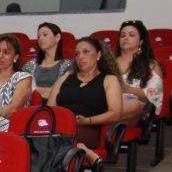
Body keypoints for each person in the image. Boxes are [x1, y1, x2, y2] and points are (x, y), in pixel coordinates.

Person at [48, 36, 123, 165]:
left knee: (58, 141)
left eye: (86, 52)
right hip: (60, 126)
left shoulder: (109, 80)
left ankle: (79, 149)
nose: (80, 57)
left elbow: (116, 113)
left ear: (98, 55)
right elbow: (50, 109)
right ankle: (81, 149)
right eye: (77, 54)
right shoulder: (66, 78)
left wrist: (87, 120)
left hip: (87, 128)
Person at [115, 20, 163, 123]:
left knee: (134, 105)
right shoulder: (108, 63)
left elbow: (154, 96)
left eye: (131, 35)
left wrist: (128, 89)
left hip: (135, 110)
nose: (126, 38)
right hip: (109, 102)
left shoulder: (150, 65)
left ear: (141, 41)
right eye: (122, 35)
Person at [0, 33, 33, 131]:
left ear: (15, 57)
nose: (0, 56)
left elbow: (13, 109)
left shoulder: (23, 77)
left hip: (10, 130)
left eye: (6, 52)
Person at [21, 22, 74, 100]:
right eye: (38, 36)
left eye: (45, 35)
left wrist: (34, 90)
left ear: (57, 37)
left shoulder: (68, 65)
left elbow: (62, 93)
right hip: (31, 107)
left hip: (56, 108)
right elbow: (22, 91)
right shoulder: (30, 65)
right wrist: (50, 91)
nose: (40, 38)